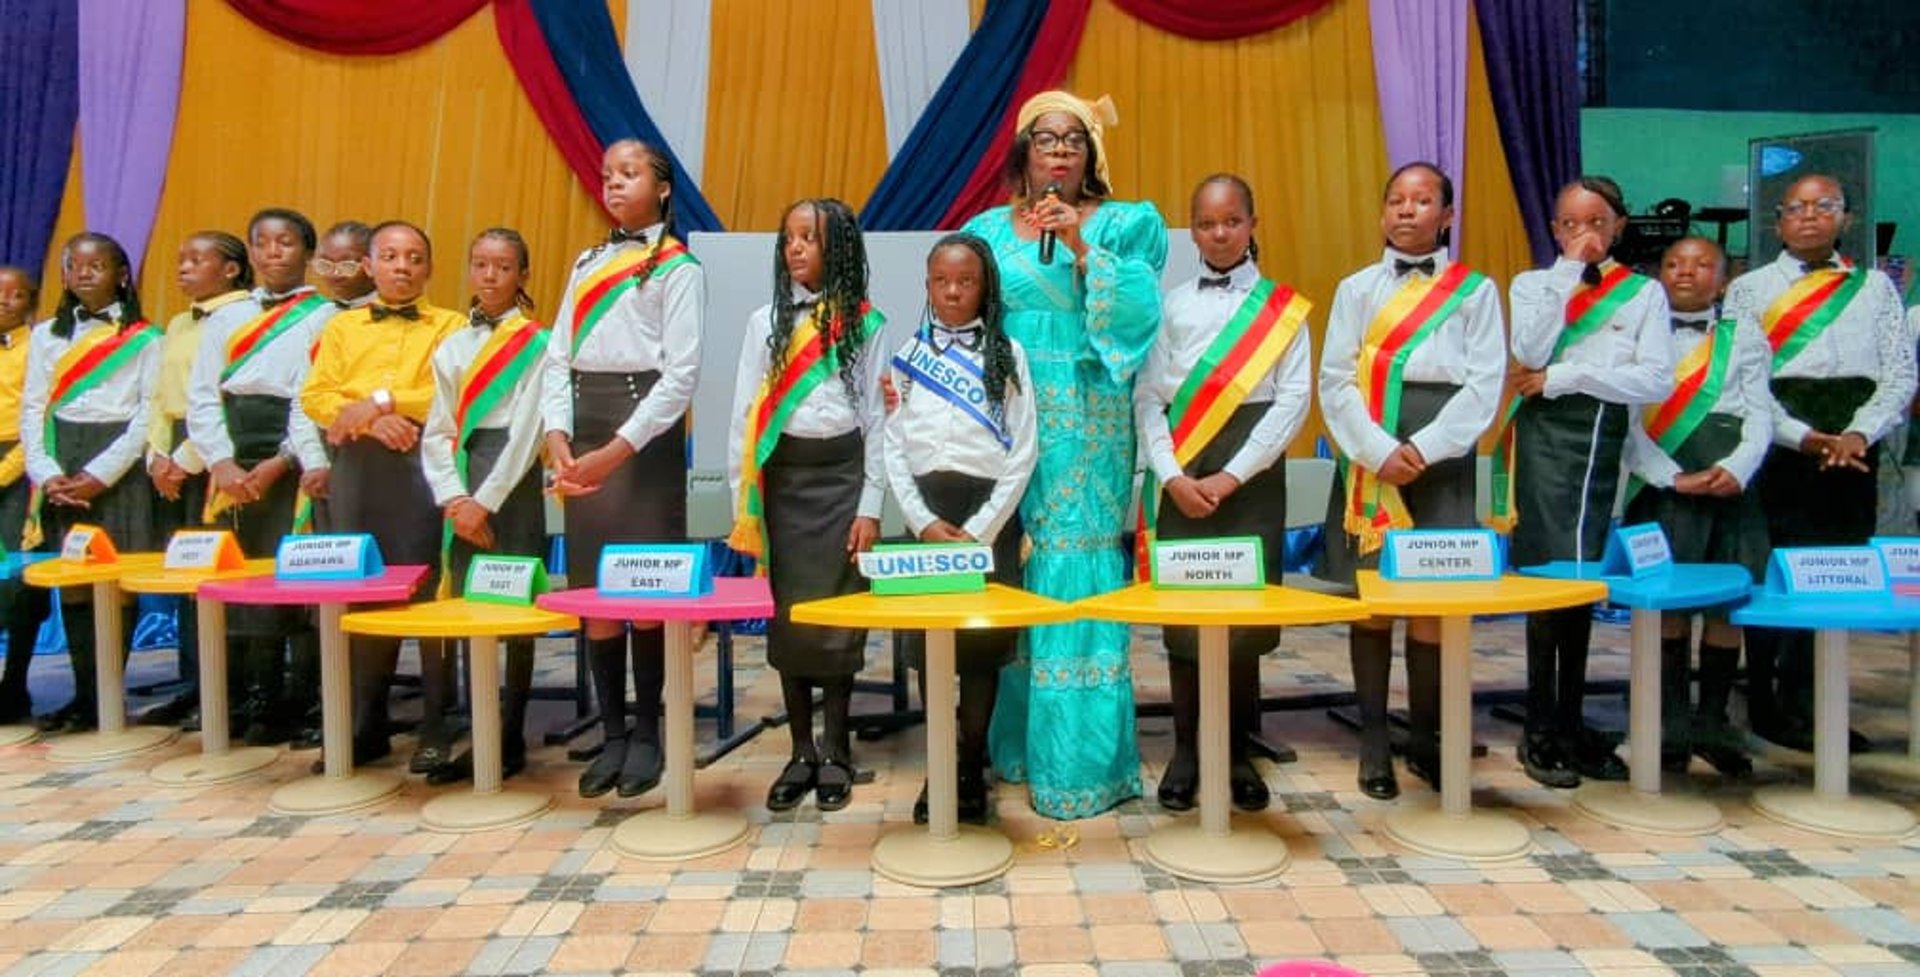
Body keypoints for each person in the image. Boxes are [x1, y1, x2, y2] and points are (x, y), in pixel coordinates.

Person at [959, 90, 1167, 819]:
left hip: (1088, 415)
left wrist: (1082, 245)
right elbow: (958, 315)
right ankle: (1011, 744)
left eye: (1074, 139)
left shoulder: (1127, 224)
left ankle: (1078, 762)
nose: (1060, 150)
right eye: (1045, 138)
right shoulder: (984, 230)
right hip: (1008, 416)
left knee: (1074, 566)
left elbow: (1140, 315)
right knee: (1014, 566)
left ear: (1092, 155)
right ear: (1023, 152)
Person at [1319, 162, 1505, 800]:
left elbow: (1485, 384)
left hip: (1442, 457)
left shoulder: (1475, 292)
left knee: (1434, 603)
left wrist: (1421, 448)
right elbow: (1334, 381)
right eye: (1395, 200)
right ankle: (1374, 740)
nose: (1406, 211)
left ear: (1447, 216)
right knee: (1373, 604)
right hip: (1371, 456)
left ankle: (1427, 737)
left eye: (1422, 201)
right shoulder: (1356, 288)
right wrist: (1376, 448)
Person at [1135, 174, 1310, 813]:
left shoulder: (1284, 309)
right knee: (1185, 618)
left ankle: (1235, 751)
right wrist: (1172, 475)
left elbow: (1292, 402)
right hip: (1183, 466)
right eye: (1206, 224)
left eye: (1231, 221)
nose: (1218, 233)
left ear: (1252, 224)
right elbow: (1149, 399)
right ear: (1193, 229)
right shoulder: (1170, 306)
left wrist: (1232, 475)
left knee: (1241, 619)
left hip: (1252, 474)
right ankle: (1186, 750)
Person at [1724, 174, 1915, 752]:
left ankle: (1814, 702)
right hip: (1779, 441)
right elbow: (1742, 382)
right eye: (1797, 208)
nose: (1809, 216)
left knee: (1835, 576)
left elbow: (1900, 374)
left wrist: (1857, 433)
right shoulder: (1750, 290)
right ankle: (1764, 703)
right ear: (1778, 221)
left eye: (1823, 206)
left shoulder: (1877, 290)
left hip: (1854, 440)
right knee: (1771, 571)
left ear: (1846, 218)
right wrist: (1805, 438)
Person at [543, 139, 703, 800]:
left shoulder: (678, 267)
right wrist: (556, 429)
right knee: (596, 599)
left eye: (629, 173)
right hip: (585, 428)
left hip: (644, 439)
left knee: (642, 596)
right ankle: (611, 732)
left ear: (662, 187)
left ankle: (648, 731)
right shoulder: (587, 260)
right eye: (608, 174)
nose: (613, 184)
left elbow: (682, 375)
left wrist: (618, 449)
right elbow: (557, 355)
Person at [1504, 177, 1673, 788]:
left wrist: (1566, 375)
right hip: (1547, 443)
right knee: (1548, 581)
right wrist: (1565, 279)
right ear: (1554, 230)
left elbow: (1653, 379)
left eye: (1596, 223)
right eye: (1570, 225)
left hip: (1606, 446)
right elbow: (1527, 348)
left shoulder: (1644, 295)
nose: (1584, 235)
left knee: (1584, 585)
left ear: (1618, 226)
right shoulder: (1532, 285)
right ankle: (1541, 727)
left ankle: (1569, 719)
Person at [729, 198, 885, 813]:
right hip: (784, 482)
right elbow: (746, 412)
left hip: (842, 478)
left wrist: (870, 504)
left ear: (838, 247)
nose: (794, 248)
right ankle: (799, 748)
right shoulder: (762, 322)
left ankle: (837, 746)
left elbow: (877, 420)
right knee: (789, 618)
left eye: (809, 238)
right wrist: (742, 498)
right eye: (788, 237)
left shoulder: (867, 324)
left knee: (837, 618)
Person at [298, 220, 464, 769]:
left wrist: (381, 403)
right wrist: (370, 422)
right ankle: (364, 723)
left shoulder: (451, 325)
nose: (402, 267)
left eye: (414, 257)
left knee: (427, 590)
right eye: (390, 256)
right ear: (369, 266)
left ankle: (438, 723)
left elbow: (450, 393)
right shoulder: (342, 327)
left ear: (429, 268)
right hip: (359, 470)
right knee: (363, 589)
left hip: (424, 468)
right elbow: (317, 395)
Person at [885, 232, 1036, 825]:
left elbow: (1023, 450)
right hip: (928, 513)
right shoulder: (907, 355)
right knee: (931, 651)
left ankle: (972, 767)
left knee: (978, 652)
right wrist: (921, 522)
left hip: (985, 518)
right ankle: (940, 768)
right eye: (941, 282)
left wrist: (979, 530)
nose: (952, 292)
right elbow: (894, 447)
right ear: (927, 286)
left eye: (965, 281)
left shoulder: (1009, 355)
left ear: (984, 288)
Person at [1623, 236, 1770, 778]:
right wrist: (1671, 478)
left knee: (1726, 605)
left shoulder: (1745, 337)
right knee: (1667, 606)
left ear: (1724, 278)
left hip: (1731, 481)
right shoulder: (1637, 334)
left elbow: (1760, 412)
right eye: (1674, 264)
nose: (1687, 273)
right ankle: (1669, 723)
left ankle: (1713, 720)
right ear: (1658, 274)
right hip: (1667, 486)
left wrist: (1739, 468)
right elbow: (1629, 426)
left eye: (1702, 264)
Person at [419, 229, 548, 784]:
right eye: (480, 265)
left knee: (514, 603)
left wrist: (484, 502)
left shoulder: (538, 344)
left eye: (503, 266)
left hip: (510, 483)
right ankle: (477, 731)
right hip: (463, 475)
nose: (490, 276)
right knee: (469, 607)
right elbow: (438, 428)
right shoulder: (452, 345)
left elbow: (527, 433)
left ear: (522, 275)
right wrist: (453, 496)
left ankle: (511, 732)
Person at [22, 232, 164, 732]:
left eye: (97, 265)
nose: (85, 274)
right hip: (62, 455)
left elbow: (147, 415)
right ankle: (84, 697)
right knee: (77, 584)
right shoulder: (46, 336)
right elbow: (36, 408)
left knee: (116, 582)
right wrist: (47, 473)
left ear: (122, 274)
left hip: (116, 464)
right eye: (75, 266)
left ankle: (109, 697)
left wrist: (98, 474)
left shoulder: (148, 339)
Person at [140, 231, 254, 731]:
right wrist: (156, 455)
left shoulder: (244, 315)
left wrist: (188, 458)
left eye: (196, 259)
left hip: (214, 453)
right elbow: (160, 396)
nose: (183, 268)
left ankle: (233, 686)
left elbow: (220, 397)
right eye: (180, 259)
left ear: (230, 268)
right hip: (172, 454)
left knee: (222, 573)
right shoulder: (177, 322)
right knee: (186, 577)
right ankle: (195, 682)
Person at [0, 267, 52, 725]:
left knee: (18, 584)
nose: (3, 301)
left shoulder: (40, 345)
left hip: (20, 469)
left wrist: (6, 470)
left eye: (14, 296)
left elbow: (39, 412)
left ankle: (15, 684)